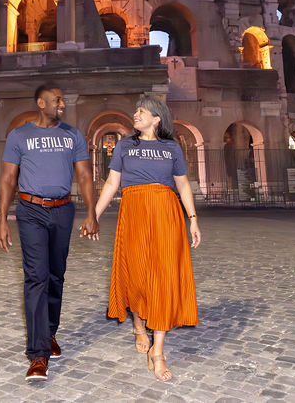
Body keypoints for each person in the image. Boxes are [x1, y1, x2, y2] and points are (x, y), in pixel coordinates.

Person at [94, 94, 200, 382]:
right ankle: (140, 327)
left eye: (141, 111)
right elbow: (112, 183)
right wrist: (94, 215)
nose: (135, 115)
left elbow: (182, 184)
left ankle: (159, 351)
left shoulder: (171, 147)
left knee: (163, 276)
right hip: (135, 212)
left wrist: (192, 218)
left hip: (167, 214)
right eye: (136, 110)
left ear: (156, 119)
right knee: (138, 274)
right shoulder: (125, 145)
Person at [0, 84, 99, 382]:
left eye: (63, 100)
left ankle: (49, 332)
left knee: (56, 276)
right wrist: (2, 220)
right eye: (57, 100)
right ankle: (38, 354)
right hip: (31, 211)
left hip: (62, 210)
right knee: (36, 277)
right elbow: (7, 180)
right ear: (41, 103)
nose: (62, 105)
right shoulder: (19, 135)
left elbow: (84, 175)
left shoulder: (73, 135)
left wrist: (91, 213)